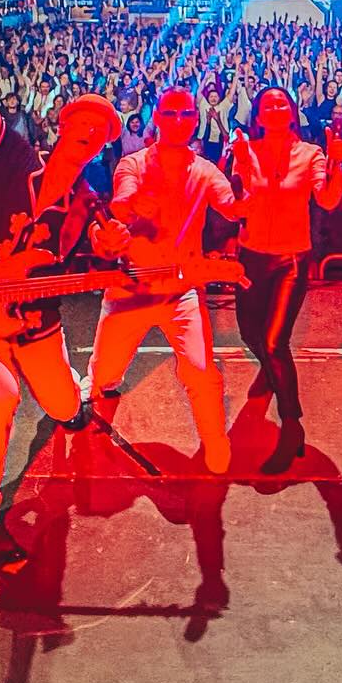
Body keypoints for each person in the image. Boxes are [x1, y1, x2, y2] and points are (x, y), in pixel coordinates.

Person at [0, 16, 120, 568]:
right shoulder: (15, 157)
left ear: (99, 149)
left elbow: (103, 241)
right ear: (61, 128)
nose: (88, 137)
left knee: (66, 405)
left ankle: (70, 402)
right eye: (81, 126)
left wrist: (113, 243)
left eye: (99, 134)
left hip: (37, 322)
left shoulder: (88, 201)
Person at [86, 86, 245, 476]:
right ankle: (99, 385)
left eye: (185, 115)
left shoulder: (206, 170)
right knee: (104, 376)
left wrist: (250, 172)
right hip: (130, 289)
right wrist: (130, 208)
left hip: (180, 290)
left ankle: (214, 439)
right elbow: (122, 200)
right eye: (170, 114)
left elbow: (236, 207)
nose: (178, 121)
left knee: (199, 370)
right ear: (156, 117)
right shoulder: (134, 162)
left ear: (195, 120)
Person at [228, 86, 342, 472]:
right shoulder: (248, 150)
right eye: (268, 105)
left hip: (290, 259)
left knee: (275, 340)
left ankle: (292, 424)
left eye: (283, 103)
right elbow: (234, 205)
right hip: (250, 257)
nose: (276, 108)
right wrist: (235, 163)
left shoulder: (311, 154)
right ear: (259, 116)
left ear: (292, 112)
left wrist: (336, 165)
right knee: (250, 333)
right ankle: (268, 368)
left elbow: (328, 201)